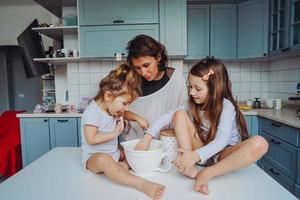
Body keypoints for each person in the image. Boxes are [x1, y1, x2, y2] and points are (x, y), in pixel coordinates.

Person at [142, 58, 269, 195]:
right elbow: (166, 117)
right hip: (201, 149)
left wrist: (196, 156)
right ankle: (188, 166)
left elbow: (222, 140)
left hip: (222, 154)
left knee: (260, 143)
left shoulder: (226, 107)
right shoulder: (190, 104)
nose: (191, 92)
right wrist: (147, 136)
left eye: (197, 88)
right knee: (178, 114)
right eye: (190, 87)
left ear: (215, 89)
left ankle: (208, 172)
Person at [81, 63, 165, 200]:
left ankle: (120, 168)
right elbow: (91, 138)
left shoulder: (111, 107)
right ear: (108, 96)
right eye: (124, 103)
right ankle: (141, 184)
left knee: (129, 150)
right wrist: (115, 133)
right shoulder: (93, 113)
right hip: (94, 158)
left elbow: (124, 114)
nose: (125, 109)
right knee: (104, 160)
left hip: (113, 152)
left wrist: (139, 119)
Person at [124, 34, 188, 149]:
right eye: (137, 68)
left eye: (146, 65)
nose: (143, 72)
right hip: (136, 145)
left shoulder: (175, 79)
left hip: (168, 144)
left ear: (158, 57)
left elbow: (183, 114)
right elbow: (119, 112)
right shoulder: (131, 82)